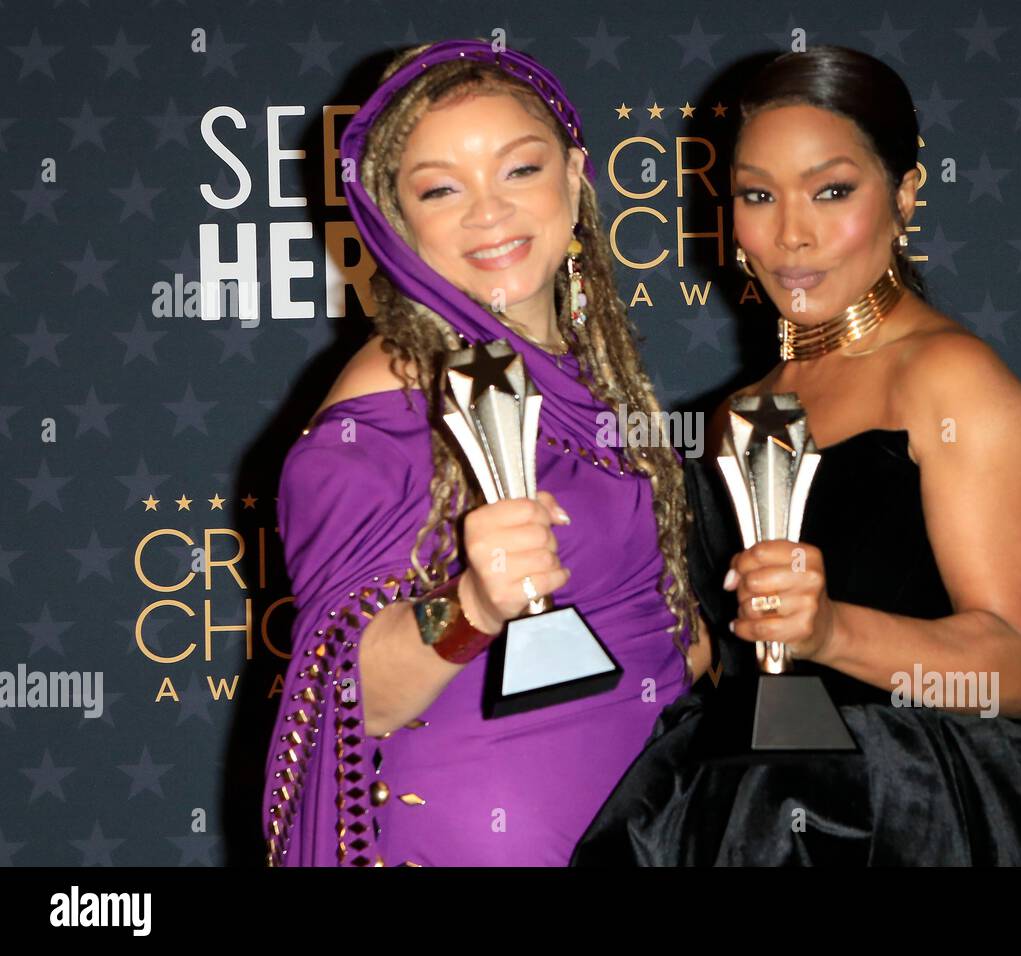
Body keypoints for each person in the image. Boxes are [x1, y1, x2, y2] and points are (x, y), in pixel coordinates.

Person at [571, 45, 1021, 865]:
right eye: (757, 195)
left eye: (832, 190)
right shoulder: (738, 410)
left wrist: (833, 629)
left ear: (906, 194)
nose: (792, 233)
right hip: (743, 809)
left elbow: (1011, 668)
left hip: (922, 810)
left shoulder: (948, 378)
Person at [261, 39, 709, 867]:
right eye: (440, 188)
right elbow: (352, 685)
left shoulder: (592, 369)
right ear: (394, 224)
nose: (488, 212)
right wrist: (472, 605)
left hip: (652, 828)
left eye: (519, 170)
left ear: (576, 177)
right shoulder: (388, 398)